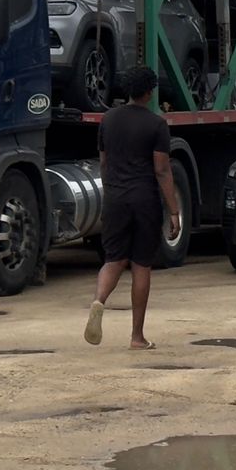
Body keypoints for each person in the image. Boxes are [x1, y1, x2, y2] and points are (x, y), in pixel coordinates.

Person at [85, 66, 181, 350]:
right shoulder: (156, 124)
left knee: (113, 260)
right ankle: (137, 337)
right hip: (144, 201)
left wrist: (113, 189)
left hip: (115, 198)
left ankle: (98, 300)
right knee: (141, 265)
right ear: (149, 92)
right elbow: (162, 171)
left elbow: (103, 162)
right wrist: (173, 210)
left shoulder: (108, 119)